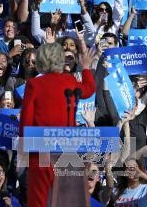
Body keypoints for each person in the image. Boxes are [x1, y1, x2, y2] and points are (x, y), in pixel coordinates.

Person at [19, 43, 95, 206]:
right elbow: (89, 89)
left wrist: (23, 155)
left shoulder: (33, 85)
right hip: (68, 154)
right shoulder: (70, 81)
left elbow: (25, 126)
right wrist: (86, 68)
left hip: (40, 155)